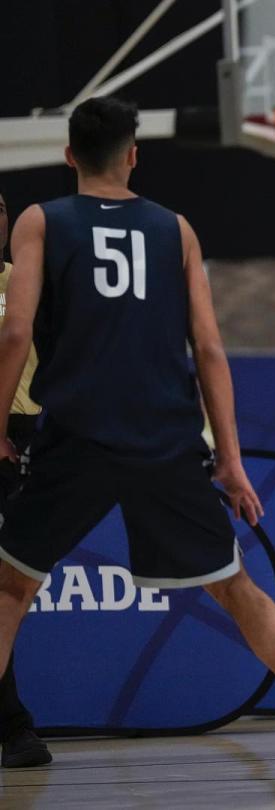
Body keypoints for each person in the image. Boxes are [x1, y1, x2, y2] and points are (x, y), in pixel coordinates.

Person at [0, 97, 275, 787]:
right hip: (165, 438)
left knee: (11, 588)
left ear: (67, 156)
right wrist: (231, 461)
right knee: (237, 588)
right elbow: (209, 349)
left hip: (77, 436)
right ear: (134, 155)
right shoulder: (175, 229)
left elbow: (14, 332)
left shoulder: (40, 221)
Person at [0, 190, 50, 769]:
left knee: (12, 588)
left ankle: (14, 726)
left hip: (31, 438)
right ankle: (14, 725)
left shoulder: (29, 281)